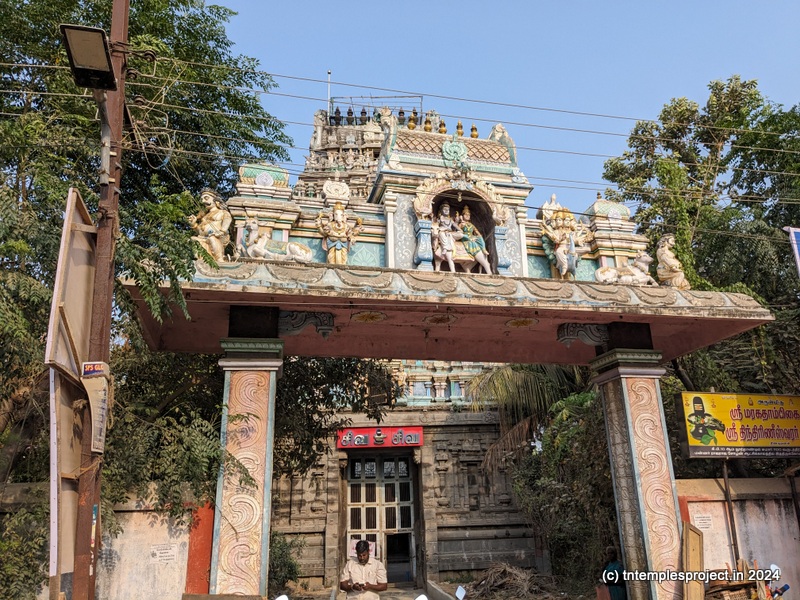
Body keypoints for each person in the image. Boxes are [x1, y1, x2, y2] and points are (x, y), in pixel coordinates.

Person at [457, 206, 492, 274]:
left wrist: (479, 236)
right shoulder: (461, 224)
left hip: (472, 237)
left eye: (469, 215)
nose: (467, 216)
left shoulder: (471, 225)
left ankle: (483, 249)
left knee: (480, 238)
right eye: (466, 215)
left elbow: (476, 231)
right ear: (462, 216)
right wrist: (461, 221)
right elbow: (459, 233)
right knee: (473, 244)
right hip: (466, 239)